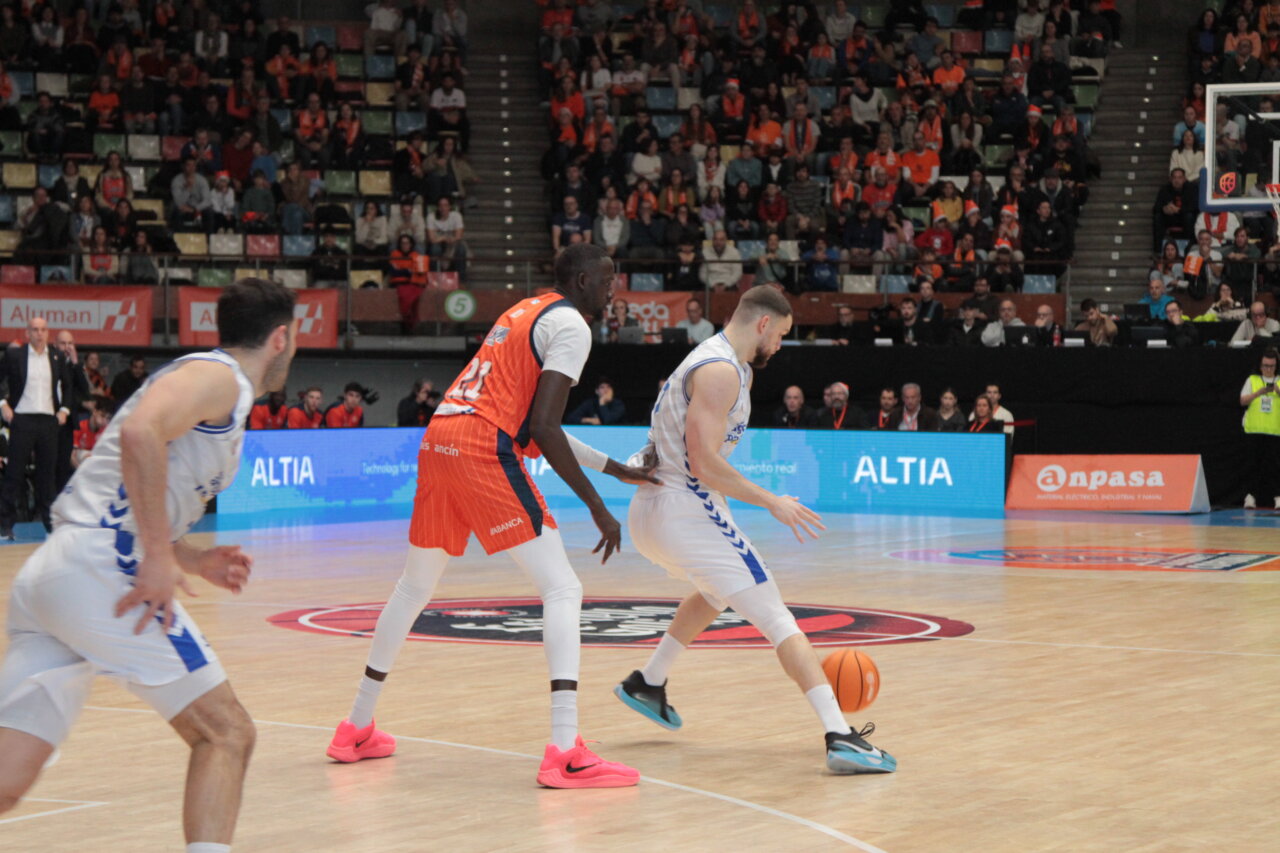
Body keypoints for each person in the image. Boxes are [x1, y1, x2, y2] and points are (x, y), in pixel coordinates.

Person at [328, 244, 651, 789]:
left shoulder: (522, 312)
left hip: (441, 436)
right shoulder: (573, 326)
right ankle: (565, 751)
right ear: (580, 280)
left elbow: (532, 423)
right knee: (562, 588)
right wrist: (598, 507)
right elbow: (544, 428)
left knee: (413, 587)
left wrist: (614, 469)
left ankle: (355, 727)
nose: (613, 289)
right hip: (481, 446)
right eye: (607, 280)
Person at [0, 279, 298, 849]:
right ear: (280, 338)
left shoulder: (210, 384)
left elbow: (126, 488)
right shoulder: (222, 377)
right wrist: (159, 556)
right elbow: (140, 433)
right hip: (98, 567)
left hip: (58, 574)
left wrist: (192, 557)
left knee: (7, 779)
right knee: (226, 733)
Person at [615, 285, 895, 775]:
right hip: (681, 508)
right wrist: (772, 501)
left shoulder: (729, 366)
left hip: (656, 510)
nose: (780, 346)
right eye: (781, 335)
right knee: (778, 618)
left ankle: (648, 682)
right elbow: (703, 463)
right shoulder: (720, 370)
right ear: (763, 324)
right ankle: (839, 735)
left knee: (714, 591)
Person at [0, 318, 73, 538]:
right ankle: (4, 524)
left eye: (43, 330)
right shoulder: (15, 355)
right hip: (22, 419)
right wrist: (3, 404)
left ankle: (50, 524)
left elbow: (68, 385)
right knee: (14, 474)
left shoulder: (57, 356)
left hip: (49, 422)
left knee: (47, 476)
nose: (39, 333)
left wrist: (65, 410)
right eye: (35, 330)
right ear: (27, 333)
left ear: (48, 333)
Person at [1240, 348, 1280, 508]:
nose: (1268, 369)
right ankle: (1250, 497)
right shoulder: (1252, 380)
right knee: (1252, 466)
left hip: (1275, 431)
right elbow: (1242, 401)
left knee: (1275, 466)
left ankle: (1278, 497)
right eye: (1265, 366)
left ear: (1276, 366)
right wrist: (1259, 393)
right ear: (1260, 365)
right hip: (1254, 430)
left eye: (1271, 366)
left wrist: (1277, 391)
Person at [53, 330, 91, 493]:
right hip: (49, 419)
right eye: (63, 343)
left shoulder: (74, 366)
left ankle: (59, 499)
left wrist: (76, 363)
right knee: (48, 462)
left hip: (67, 422)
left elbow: (85, 391)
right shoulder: (49, 362)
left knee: (64, 463)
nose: (67, 347)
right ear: (55, 345)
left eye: (70, 343)